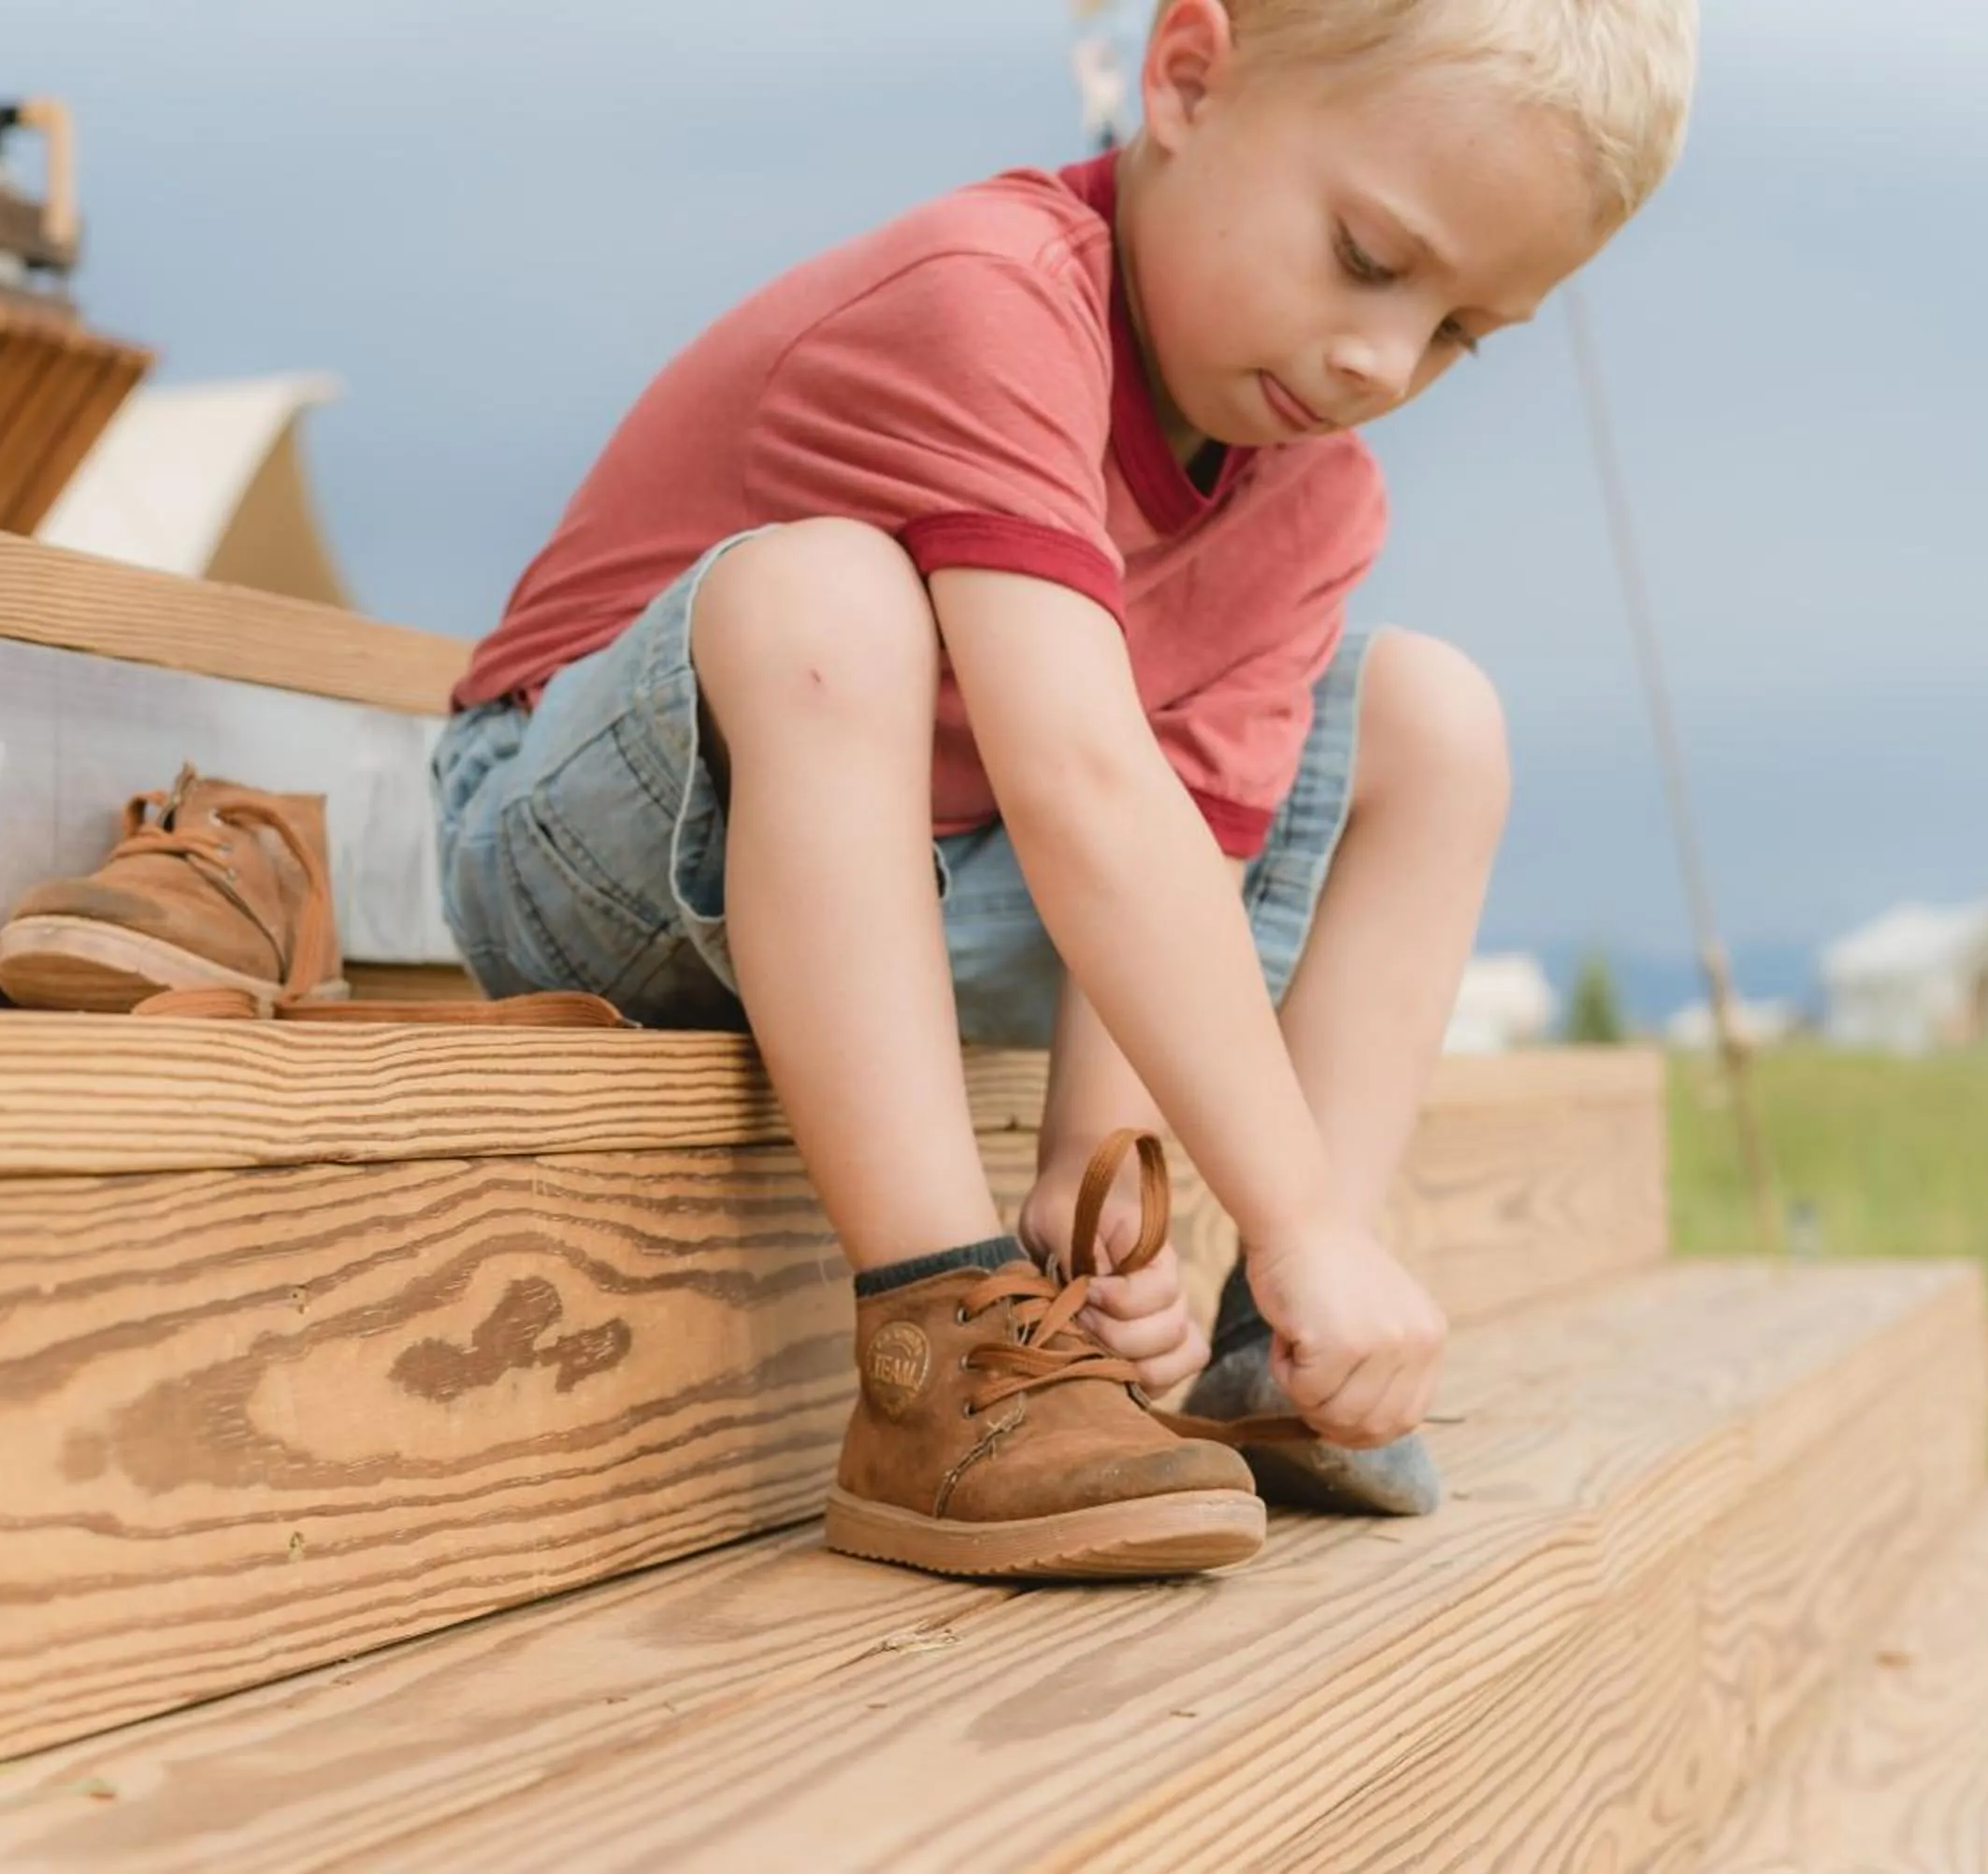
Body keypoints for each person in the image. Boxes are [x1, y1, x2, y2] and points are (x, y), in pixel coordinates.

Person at [433, 0, 1696, 1578]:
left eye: (1457, 334)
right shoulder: (988, 300)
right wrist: (1293, 1214)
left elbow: (1185, 834)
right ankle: (936, 1353)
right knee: (835, 597)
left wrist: (1103, 1212)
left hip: (927, 878)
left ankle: (1276, 1356)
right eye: (1370, 259)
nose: (1382, 358)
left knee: (1431, 717)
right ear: (1185, 79)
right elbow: (1087, 789)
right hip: (604, 853)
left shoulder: (1312, 496)